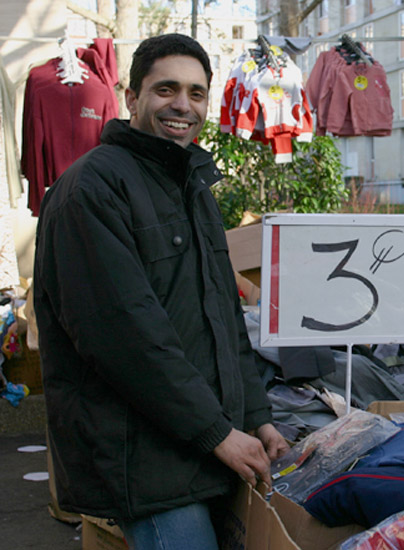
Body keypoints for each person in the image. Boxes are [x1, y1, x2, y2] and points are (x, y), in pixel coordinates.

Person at [33, 34, 289, 550]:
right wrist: (216, 432)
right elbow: (125, 336)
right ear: (131, 96)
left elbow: (224, 317)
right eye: (165, 89)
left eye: (196, 93)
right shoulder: (92, 189)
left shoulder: (190, 187)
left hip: (197, 439)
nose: (182, 105)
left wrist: (256, 416)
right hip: (141, 456)